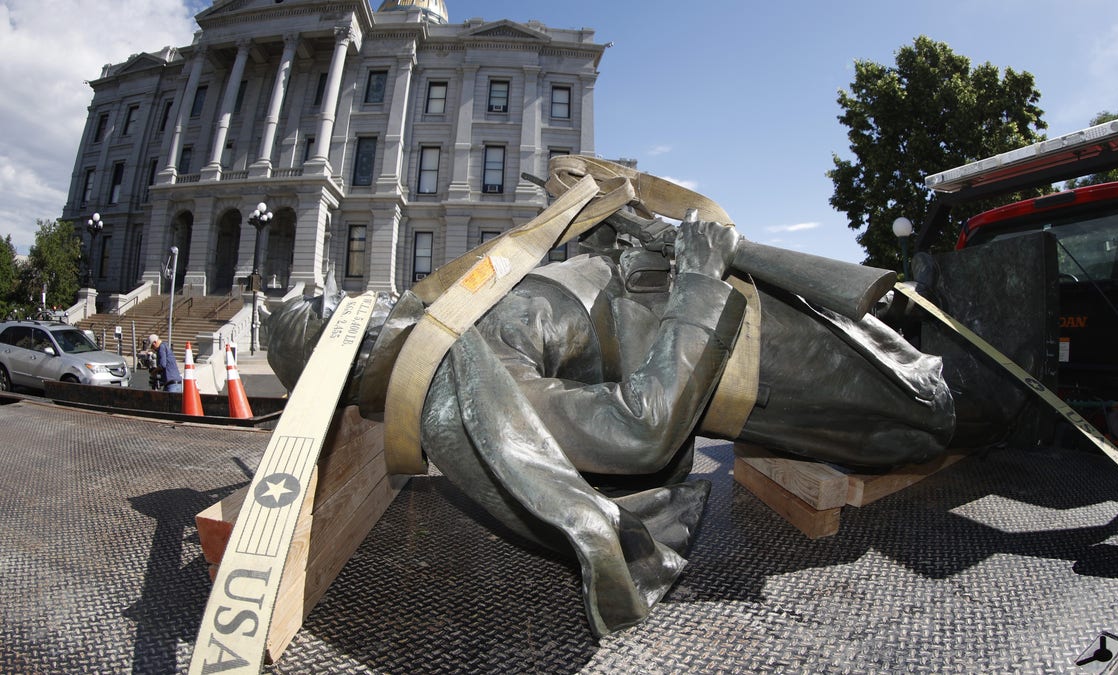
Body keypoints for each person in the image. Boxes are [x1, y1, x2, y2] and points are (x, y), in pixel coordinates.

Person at [267, 217, 955, 636]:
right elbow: (639, 429)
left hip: (716, 304)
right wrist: (697, 279)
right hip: (742, 350)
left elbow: (575, 297)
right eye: (335, 305)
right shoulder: (469, 372)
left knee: (920, 375)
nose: (363, 296)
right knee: (932, 409)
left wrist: (607, 224)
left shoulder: (455, 320)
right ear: (349, 343)